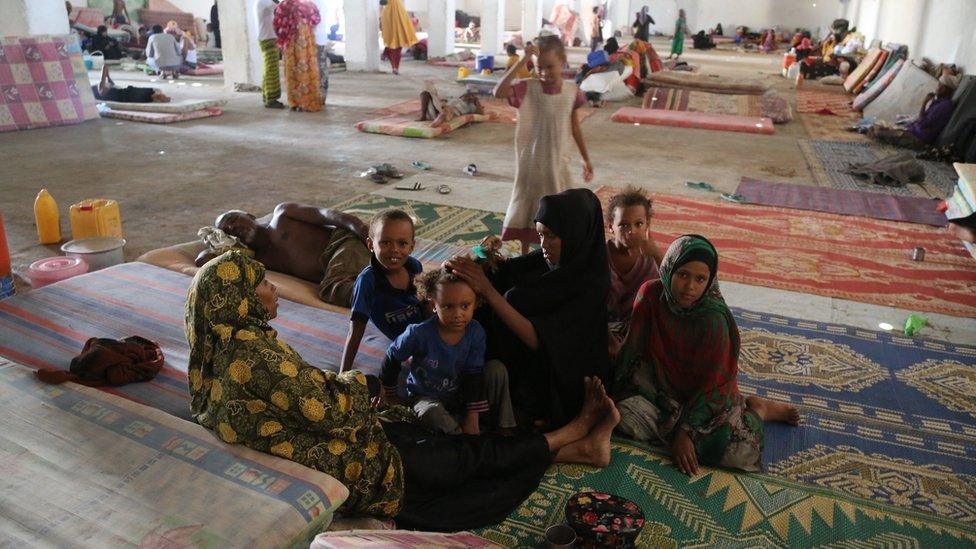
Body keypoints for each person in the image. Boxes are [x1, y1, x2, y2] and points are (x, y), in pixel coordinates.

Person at [186, 251, 620, 529]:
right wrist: (368, 383)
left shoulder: (215, 354)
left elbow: (295, 396)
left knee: (450, 447)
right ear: (237, 298)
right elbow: (327, 408)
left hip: (338, 442)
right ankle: (567, 437)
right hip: (357, 462)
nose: (272, 288)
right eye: (261, 283)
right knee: (461, 459)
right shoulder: (250, 355)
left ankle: (573, 449)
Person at [613, 235, 800, 476]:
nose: (690, 286)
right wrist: (615, 391)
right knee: (622, 416)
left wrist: (686, 432)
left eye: (700, 279)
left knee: (738, 453)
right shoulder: (650, 294)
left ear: (710, 280)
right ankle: (673, 431)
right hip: (660, 390)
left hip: (705, 399)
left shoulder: (713, 319)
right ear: (669, 269)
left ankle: (757, 410)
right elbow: (632, 352)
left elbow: (717, 385)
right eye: (683, 275)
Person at [446, 188, 610, 429]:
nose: (543, 244)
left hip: (563, 377)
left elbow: (540, 341)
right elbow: (505, 272)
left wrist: (489, 292)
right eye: (540, 234)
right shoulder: (551, 259)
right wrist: (470, 265)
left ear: (576, 234)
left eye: (552, 235)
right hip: (531, 363)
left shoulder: (590, 281)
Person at [381, 268, 516, 435]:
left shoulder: (475, 332)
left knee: (496, 369)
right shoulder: (418, 333)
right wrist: (390, 395)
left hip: (461, 396)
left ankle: (504, 429)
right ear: (433, 306)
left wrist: (472, 418)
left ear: (476, 302)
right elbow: (393, 356)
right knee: (431, 413)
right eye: (448, 307)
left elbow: (474, 374)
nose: (458, 314)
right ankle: (461, 439)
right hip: (426, 397)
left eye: (465, 306)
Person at [494, 36, 592, 255]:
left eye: (550, 66)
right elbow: (498, 92)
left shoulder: (571, 92)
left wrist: (586, 159)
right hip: (532, 161)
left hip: (558, 162)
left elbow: (575, 127)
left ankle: (554, 253)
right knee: (529, 202)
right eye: (540, 68)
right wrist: (524, 59)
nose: (545, 73)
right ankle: (525, 253)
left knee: (558, 205)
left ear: (563, 62)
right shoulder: (528, 88)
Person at [194, 203, 370, 308]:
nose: (232, 228)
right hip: (346, 270)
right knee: (345, 286)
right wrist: (218, 242)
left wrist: (365, 233)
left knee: (333, 290)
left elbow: (330, 215)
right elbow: (203, 260)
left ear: (250, 215)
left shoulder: (283, 214)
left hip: (346, 243)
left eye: (233, 220)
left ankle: (389, 299)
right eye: (226, 231)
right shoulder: (258, 259)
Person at [341, 209, 426, 373]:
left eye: (402, 243)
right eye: (385, 242)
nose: (394, 249)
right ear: (370, 245)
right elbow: (356, 329)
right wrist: (343, 374)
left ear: (411, 247)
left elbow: (426, 305)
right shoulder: (367, 281)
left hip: (426, 330)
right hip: (408, 341)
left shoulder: (414, 266)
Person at [605, 187, 663, 346]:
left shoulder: (651, 257)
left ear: (647, 224)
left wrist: (657, 254)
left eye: (638, 224)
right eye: (623, 225)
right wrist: (610, 342)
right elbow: (588, 305)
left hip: (637, 327)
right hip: (602, 327)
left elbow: (673, 289)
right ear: (611, 226)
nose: (631, 231)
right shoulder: (599, 257)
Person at [869, 76, 958, 150]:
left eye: (939, 85)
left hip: (918, 139)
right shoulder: (938, 102)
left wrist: (924, 102)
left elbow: (922, 123)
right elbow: (922, 121)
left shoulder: (944, 106)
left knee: (878, 131)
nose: (937, 88)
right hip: (913, 132)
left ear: (943, 89)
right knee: (878, 127)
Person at [274, 0, 323, 112]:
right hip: (306, 41)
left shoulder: (283, 5)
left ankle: (294, 102)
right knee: (307, 69)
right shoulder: (308, 5)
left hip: (290, 42)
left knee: (292, 70)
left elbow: (277, 26)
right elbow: (316, 21)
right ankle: (308, 101)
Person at [256, 0, 284, 108]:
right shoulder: (264, 1)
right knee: (271, 70)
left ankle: (267, 96)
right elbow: (280, 8)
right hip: (268, 38)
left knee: (268, 68)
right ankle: (271, 99)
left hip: (267, 37)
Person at [417, 82, 484, 127]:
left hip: (449, 112)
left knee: (448, 110)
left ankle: (441, 117)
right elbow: (441, 101)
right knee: (427, 87)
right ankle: (423, 116)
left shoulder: (469, 106)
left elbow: (481, 114)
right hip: (437, 110)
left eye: (472, 96)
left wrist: (476, 101)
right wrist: (442, 101)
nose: (470, 97)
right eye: (468, 95)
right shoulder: (455, 99)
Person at [91, 65, 170, 103]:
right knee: (147, 93)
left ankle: (157, 96)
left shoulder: (105, 87)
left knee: (150, 91)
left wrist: (107, 76)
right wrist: (104, 72)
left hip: (125, 93)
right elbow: (102, 90)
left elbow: (111, 84)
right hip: (125, 95)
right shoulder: (99, 90)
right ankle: (157, 97)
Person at [380, 0, 418, 75]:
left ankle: (394, 66)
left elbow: (382, 2)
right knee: (395, 44)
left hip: (397, 14)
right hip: (393, 14)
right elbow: (382, 2)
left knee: (396, 44)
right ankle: (395, 67)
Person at [311, 0, 331, 106]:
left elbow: (315, 21)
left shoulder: (316, 3)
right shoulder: (319, 3)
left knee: (319, 68)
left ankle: (321, 95)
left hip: (316, 39)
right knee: (320, 67)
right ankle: (320, 95)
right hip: (317, 39)